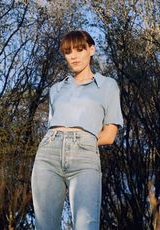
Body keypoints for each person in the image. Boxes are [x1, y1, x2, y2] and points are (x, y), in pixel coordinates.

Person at [31, 30, 123, 230]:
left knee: (86, 224)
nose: (73, 56)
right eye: (68, 51)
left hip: (85, 157)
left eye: (79, 49)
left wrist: (81, 141)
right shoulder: (56, 90)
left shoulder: (108, 86)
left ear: (91, 50)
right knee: (44, 226)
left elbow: (109, 134)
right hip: (48, 154)